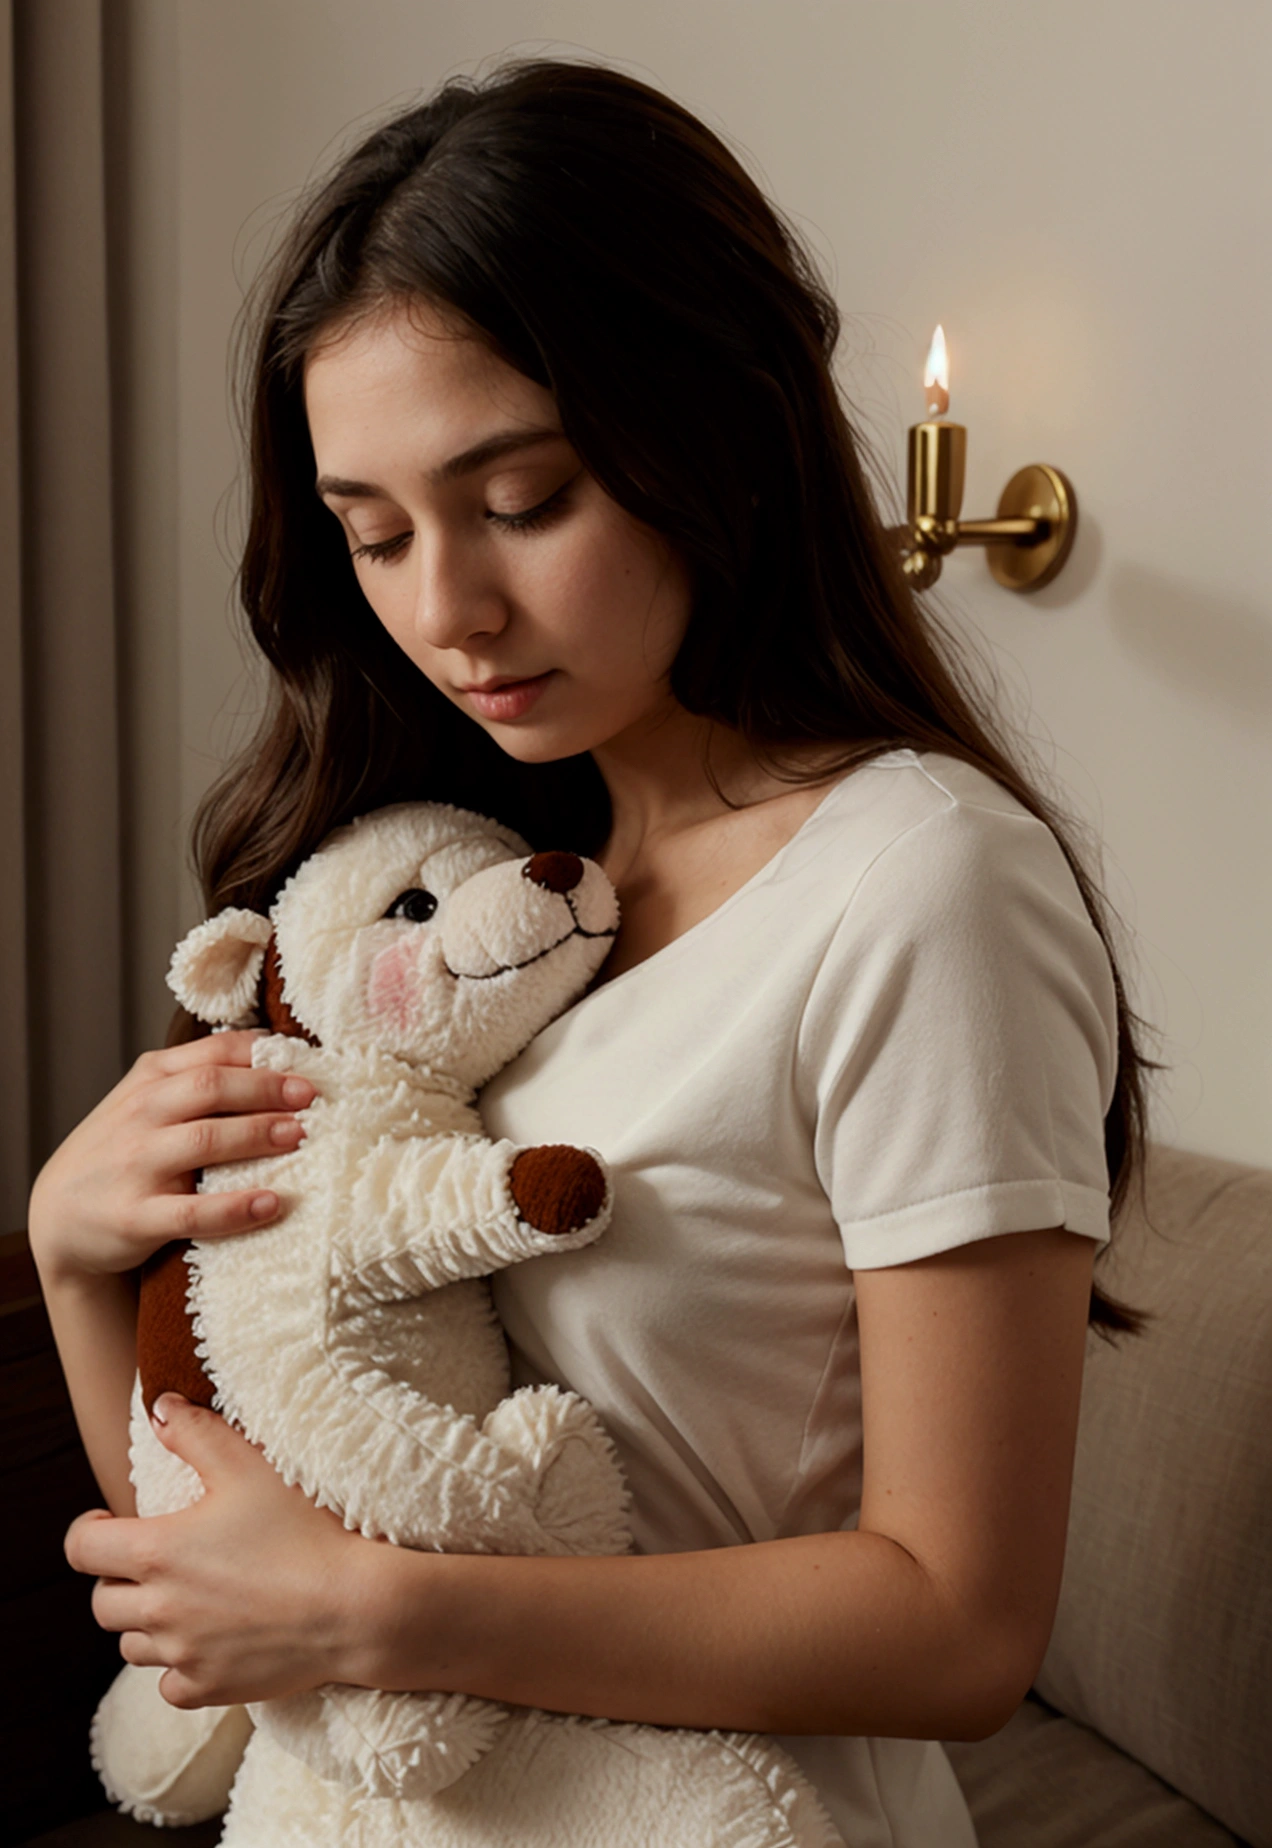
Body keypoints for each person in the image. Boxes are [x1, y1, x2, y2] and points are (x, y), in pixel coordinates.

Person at [30, 59, 1147, 1847]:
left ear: (713, 431)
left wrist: (383, 1615)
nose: (444, 609)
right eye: (375, 534)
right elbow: (246, 1541)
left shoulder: (922, 884)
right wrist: (79, 1260)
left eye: (525, 500)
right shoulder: (448, 898)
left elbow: (959, 1625)